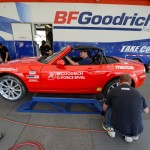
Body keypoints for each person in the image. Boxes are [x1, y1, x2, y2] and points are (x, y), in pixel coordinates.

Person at [101, 74, 149, 143]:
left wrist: (103, 112)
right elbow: (146, 111)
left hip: (118, 127)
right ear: (130, 82)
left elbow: (104, 107)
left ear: (119, 81)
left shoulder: (113, 91)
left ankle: (111, 128)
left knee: (109, 107)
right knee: (139, 108)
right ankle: (130, 135)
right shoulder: (138, 93)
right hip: (137, 130)